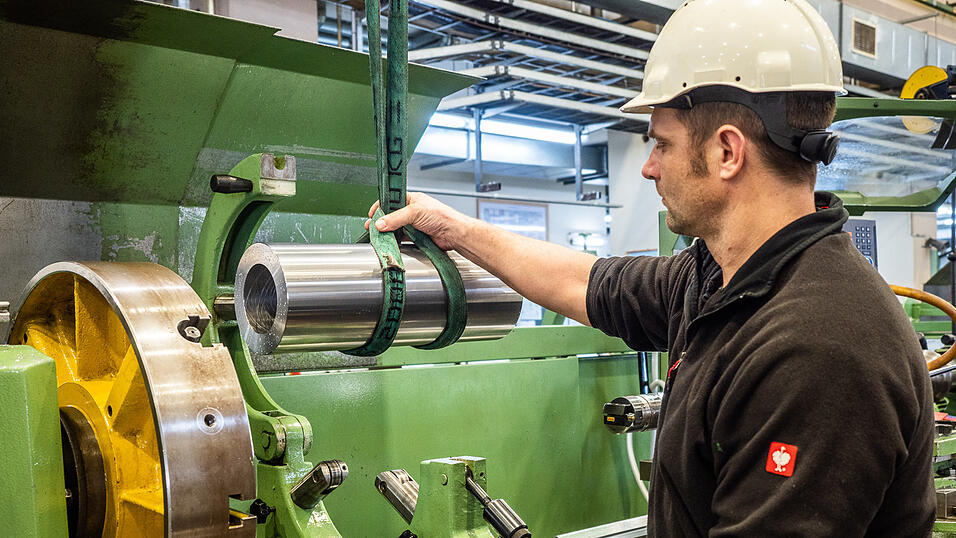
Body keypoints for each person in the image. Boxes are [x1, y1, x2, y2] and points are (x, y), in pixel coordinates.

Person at [367, 0, 935, 534]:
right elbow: (585, 282)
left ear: (727, 152)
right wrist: (457, 231)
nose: (648, 167)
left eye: (662, 143)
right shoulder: (717, 278)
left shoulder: (815, 346)